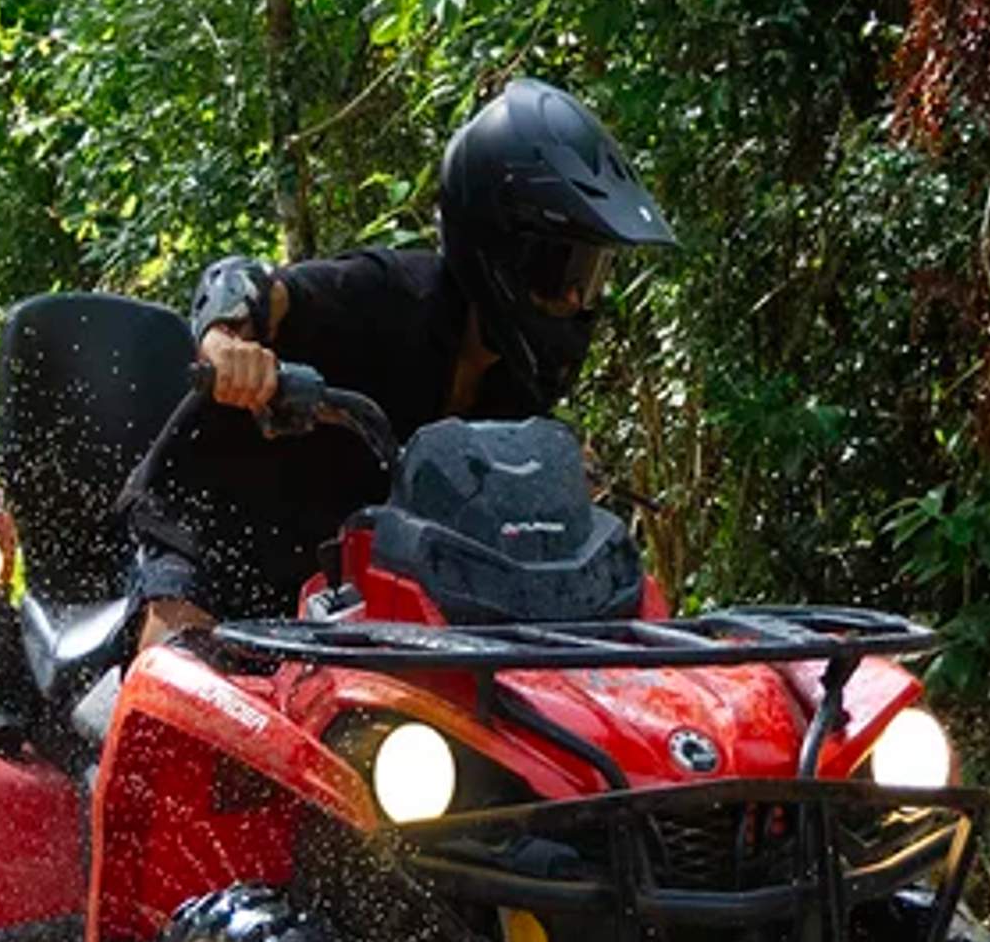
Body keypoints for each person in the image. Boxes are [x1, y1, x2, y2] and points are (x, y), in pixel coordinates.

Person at [139, 77, 673, 640]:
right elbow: (246, 282)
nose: (572, 299)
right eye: (559, 270)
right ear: (498, 246)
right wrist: (226, 343)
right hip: (212, 534)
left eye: (587, 279)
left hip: (339, 571)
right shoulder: (385, 295)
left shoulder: (517, 378)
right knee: (180, 675)